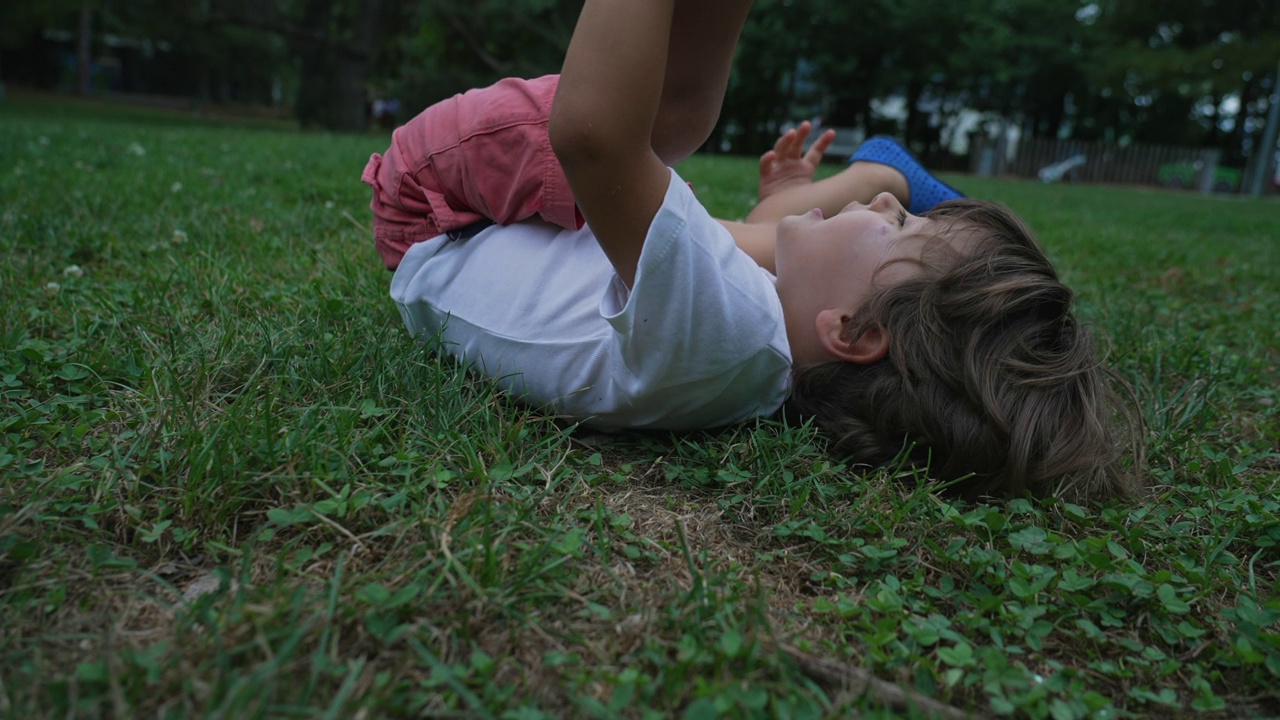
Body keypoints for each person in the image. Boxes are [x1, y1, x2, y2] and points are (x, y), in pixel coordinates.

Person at [362, 0, 1141, 502]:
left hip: (435, 221)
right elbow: (758, 253)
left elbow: (591, 136)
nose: (887, 211)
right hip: (528, 232)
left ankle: (876, 157)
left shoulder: (723, 334)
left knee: (641, 129)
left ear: (856, 333)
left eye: (902, 228)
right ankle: (859, 166)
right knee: (682, 150)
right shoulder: (761, 346)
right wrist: (791, 194)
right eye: (897, 209)